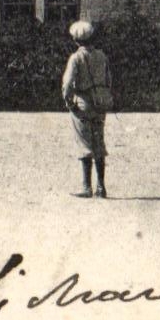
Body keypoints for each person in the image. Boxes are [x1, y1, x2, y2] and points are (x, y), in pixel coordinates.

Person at [61, 20, 112, 197]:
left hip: (83, 103)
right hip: (100, 102)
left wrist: (69, 103)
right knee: (99, 143)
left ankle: (86, 187)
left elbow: (67, 84)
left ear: (76, 40)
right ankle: (101, 187)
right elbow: (108, 80)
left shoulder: (75, 58)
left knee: (84, 144)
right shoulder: (102, 56)